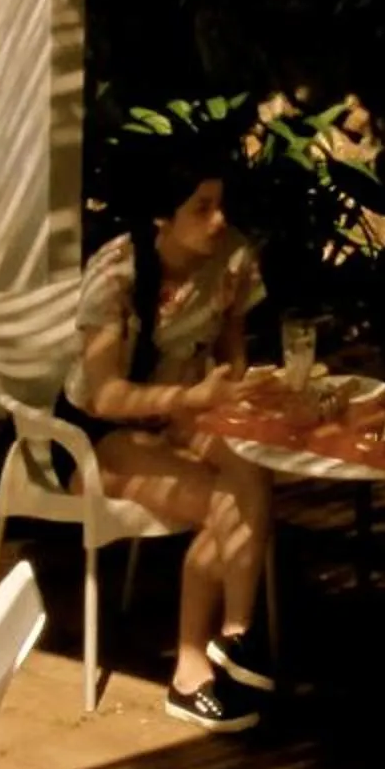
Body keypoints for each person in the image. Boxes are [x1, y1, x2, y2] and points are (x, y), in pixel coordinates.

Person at [67, 145, 274, 733]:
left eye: (221, 207)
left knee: (252, 471)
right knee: (219, 503)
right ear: (163, 217)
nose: (218, 222)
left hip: (185, 409)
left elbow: (233, 346)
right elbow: (105, 396)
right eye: (202, 209)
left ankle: (235, 638)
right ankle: (188, 671)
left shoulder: (232, 256)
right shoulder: (118, 272)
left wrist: (232, 397)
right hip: (98, 431)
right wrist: (189, 400)